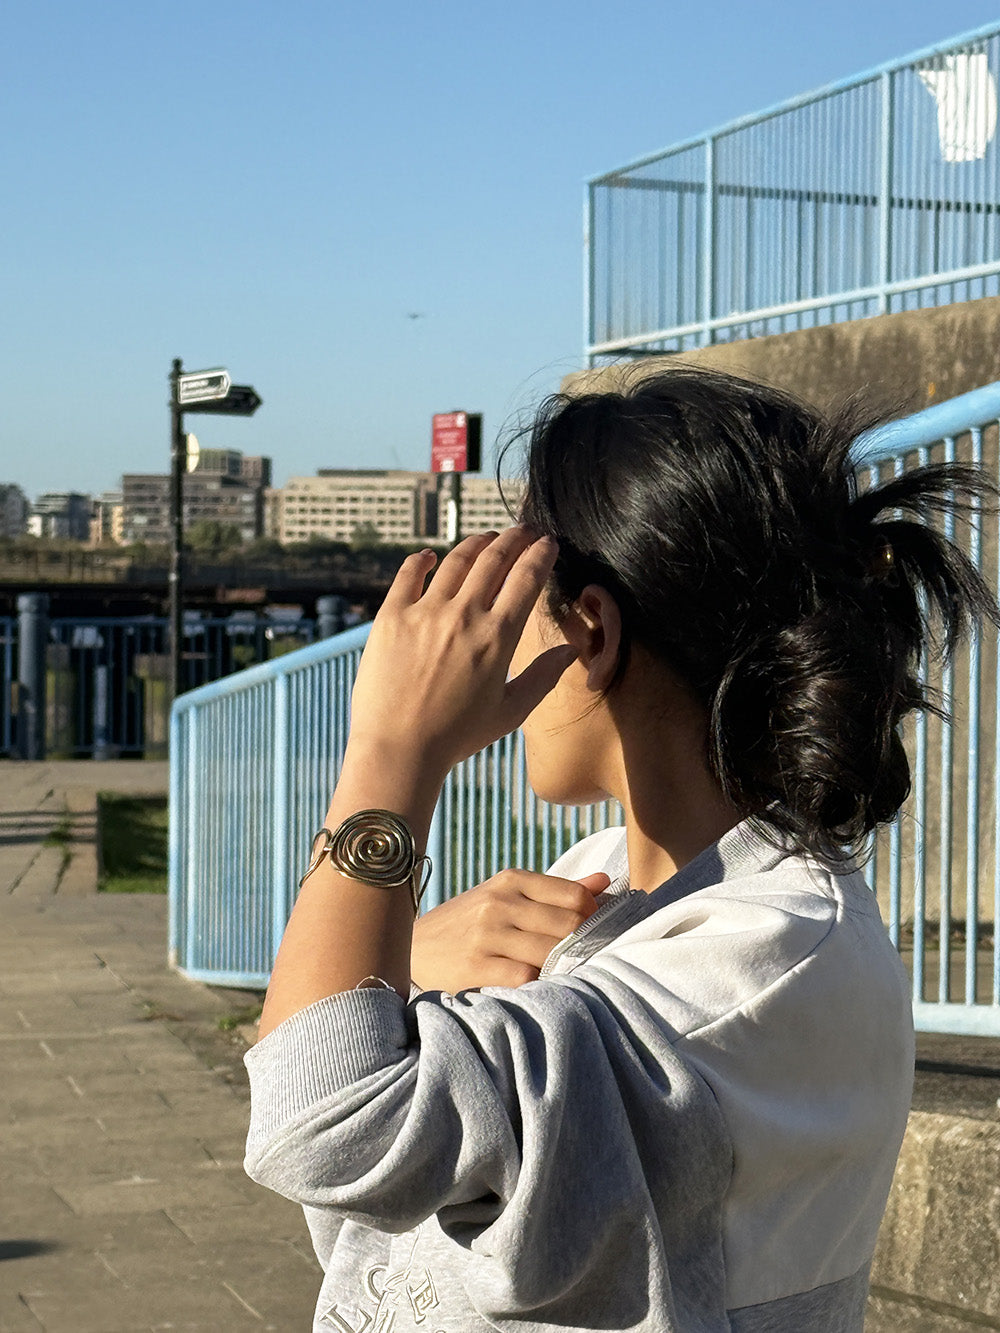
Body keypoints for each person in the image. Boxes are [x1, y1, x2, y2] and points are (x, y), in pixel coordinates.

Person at [244, 367, 997, 1332]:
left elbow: (319, 1124)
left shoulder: (765, 963)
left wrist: (390, 752)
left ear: (592, 632)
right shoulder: (599, 874)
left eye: (524, 614)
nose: (506, 652)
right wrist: (412, 956)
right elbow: (342, 1124)